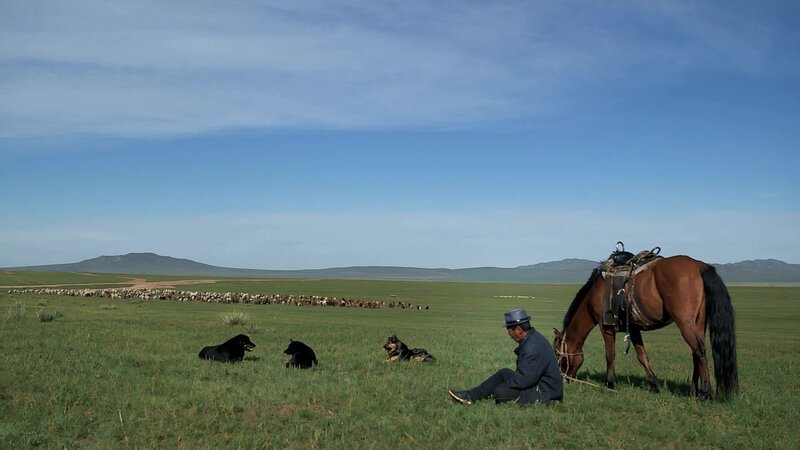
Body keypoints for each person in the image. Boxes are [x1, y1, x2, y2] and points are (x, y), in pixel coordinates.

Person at [448, 308, 563, 405]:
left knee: (500, 392)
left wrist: (500, 387)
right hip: (539, 385)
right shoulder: (533, 339)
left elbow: (525, 380)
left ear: (518, 330)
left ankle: (473, 397)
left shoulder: (532, 347)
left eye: (509, 329)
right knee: (504, 373)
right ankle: (470, 396)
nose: (508, 333)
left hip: (547, 392)